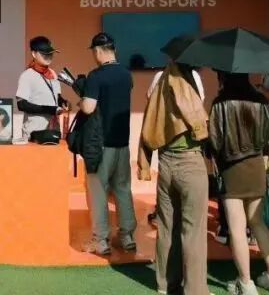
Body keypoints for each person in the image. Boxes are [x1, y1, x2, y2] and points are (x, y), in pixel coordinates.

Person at [138, 61, 210, 295]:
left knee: (167, 227)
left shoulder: (158, 78)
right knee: (193, 231)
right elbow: (198, 114)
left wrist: (144, 163)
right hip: (190, 162)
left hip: (165, 161)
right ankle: (195, 290)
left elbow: (151, 114)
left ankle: (165, 284)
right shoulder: (193, 78)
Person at [209, 73, 269, 295]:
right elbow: (265, 135)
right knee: (258, 223)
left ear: (224, 78)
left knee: (237, 229)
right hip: (256, 166)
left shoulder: (220, 103)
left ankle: (246, 283)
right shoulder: (259, 100)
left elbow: (215, 141)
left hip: (232, 169)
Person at [70, 32, 136, 255]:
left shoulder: (96, 76)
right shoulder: (126, 75)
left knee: (98, 192)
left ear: (98, 51)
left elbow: (89, 108)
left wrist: (81, 100)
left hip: (100, 145)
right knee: (123, 189)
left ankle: (100, 241)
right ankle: (127, 236)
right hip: (123, 144)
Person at [16, 36, 66, 139]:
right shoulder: (27, 75)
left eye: (50, 53)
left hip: (54, 131)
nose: (48, 56)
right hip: (34, 133)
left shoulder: (52, 73)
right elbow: (21, 105)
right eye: (44, 54)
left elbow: (57, 97)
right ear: (34, 54)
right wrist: (49, 109)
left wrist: (63, 102)